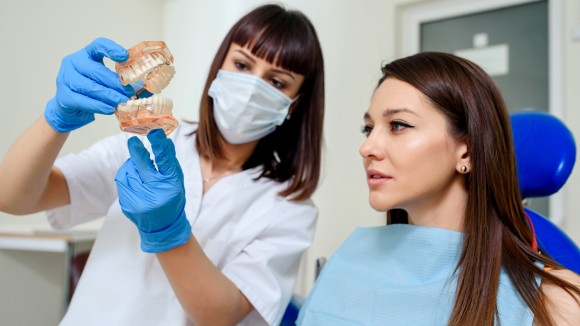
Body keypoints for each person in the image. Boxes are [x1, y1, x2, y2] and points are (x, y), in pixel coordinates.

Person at [0, 4, 324, 326]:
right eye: (241, 64)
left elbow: (220, 316)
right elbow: (14, 197)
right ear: (219, 68)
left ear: (294, 103)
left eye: (278, 82)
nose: (253, 88)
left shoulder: (290, 209)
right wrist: (56, 118)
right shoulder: (144, 141)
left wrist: (169, 230)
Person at [297, 52, 580, 325]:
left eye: (398, 125)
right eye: (368, 129)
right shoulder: (347, 264)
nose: (367, 148)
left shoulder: (556, 303)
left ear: (466, 152)